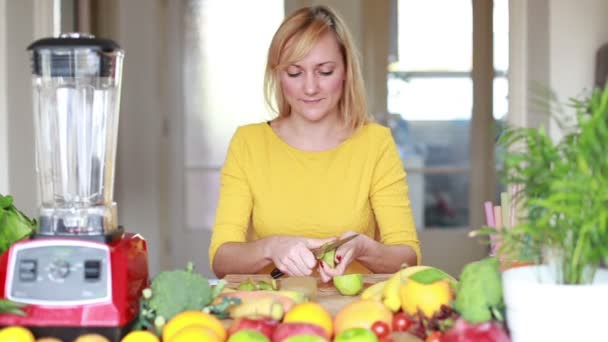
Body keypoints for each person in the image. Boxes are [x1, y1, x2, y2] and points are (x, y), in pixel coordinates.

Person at [209, 5, 420, 282]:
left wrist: (364, 248)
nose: (310, 88)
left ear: (345, 71)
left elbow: (408, 255)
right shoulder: (248, 143)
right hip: (270, 311)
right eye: (295, 73)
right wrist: (271, 248)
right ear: (278, 74)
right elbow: (221, 259)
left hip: (357, 312)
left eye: (325, 71)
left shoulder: (375, 143)